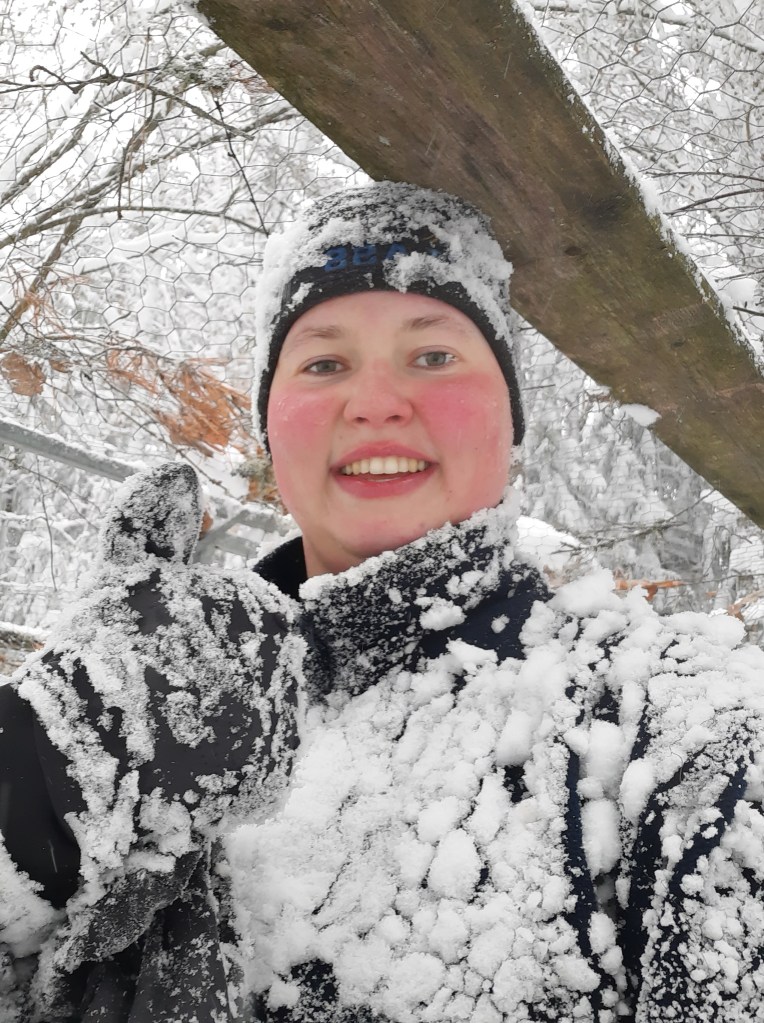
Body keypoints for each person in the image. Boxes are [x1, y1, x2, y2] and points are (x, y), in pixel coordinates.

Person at [1, 181, 764, 1023]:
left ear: (512, 417)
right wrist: (33, 791)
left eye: (432, 355)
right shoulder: (144, 703)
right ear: (270, 425)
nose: (373, 403)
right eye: (324, 363)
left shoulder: (687, 728)